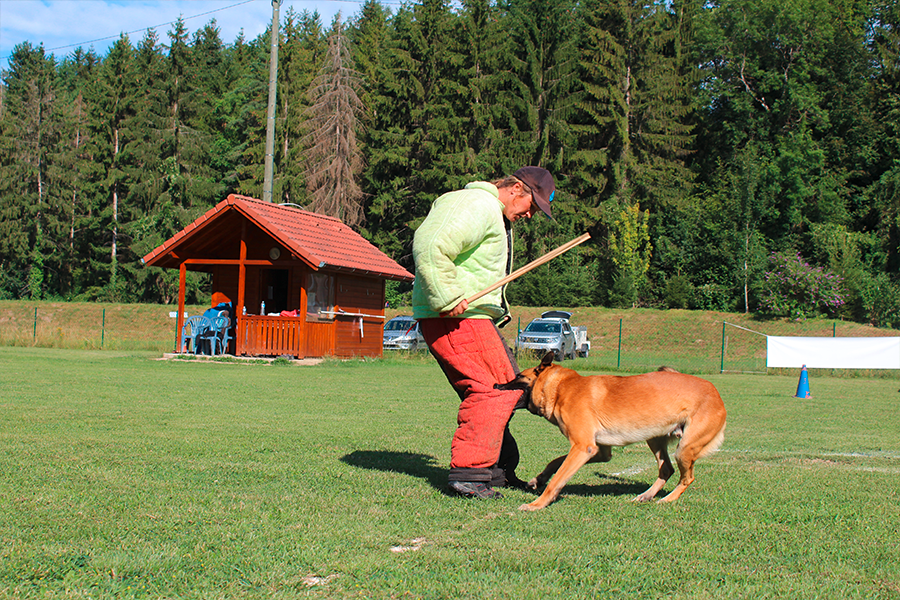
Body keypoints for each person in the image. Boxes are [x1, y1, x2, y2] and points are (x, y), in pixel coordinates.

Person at [412, 166, 556, 499]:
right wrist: (446, 295)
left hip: (472, 318)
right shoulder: (475, 204)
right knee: (491, 392)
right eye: (531, 205)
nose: (531, 215)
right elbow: (430, 243)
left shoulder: (491, 211)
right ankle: (471, 475)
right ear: (516, 188)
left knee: (511, 390)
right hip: (453, 315)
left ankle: (496, 471)